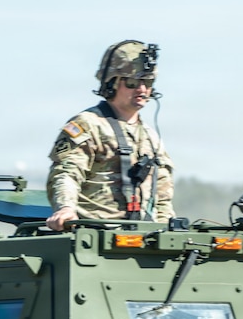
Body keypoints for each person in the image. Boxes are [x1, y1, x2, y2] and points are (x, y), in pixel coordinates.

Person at [46, 40, 176, 230]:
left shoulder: (150, 136)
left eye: (147, 82)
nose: (141, 90)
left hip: (141, 239)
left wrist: (166, 231)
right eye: (132, 82)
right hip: (95, 235)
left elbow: (162, 195)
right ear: (113, 83)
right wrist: (66, 208)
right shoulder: (88, 124)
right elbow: (67, 172)